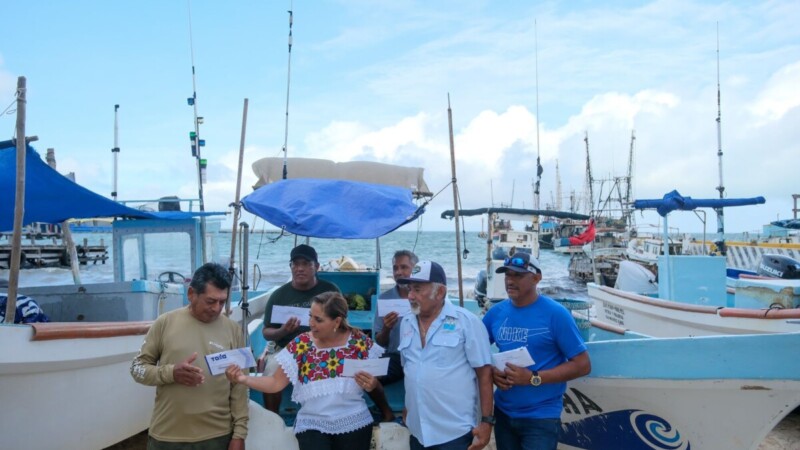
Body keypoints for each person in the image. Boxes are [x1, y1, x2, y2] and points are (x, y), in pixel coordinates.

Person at [227, 291, 382, 450]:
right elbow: (275, 383)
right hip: (313, 425)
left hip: (354, 422)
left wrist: (372, 383)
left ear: (336, 322)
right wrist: (243, 379)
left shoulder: (359, 342)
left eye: (318, 319)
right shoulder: (302, 343)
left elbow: (374, 381)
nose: (310, 323)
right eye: (310, 316)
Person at [130, 262, 247, 450]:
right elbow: (137, 369)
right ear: (191, 294)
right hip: (167, 436)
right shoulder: (164, 323)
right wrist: (170, 373)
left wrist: (239, 434)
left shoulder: (234, 331)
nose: (217, 308)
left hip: (217, 436)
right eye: (210, 301)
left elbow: (240, 386)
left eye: (222, 302)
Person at [482, 253, 591, 450]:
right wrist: (491, 371)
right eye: (507, 275)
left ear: (536, 278)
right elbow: (476, 354)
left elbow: (582, 365)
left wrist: (533, 377)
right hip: (504, 413)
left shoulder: (556, 314)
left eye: (518, 275)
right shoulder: (495, 314)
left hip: (541, 417)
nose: (510, 281)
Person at [397, 260, 494, 450]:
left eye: (417, 289)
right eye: (409, 289)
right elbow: (408, 368)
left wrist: (486, 422)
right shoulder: (406, 323)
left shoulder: (466, 322)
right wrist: (409, 406)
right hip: (417, 429)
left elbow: (485, 374)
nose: (410, 296)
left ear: (440, 292)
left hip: (454, 432)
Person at [260, 244, 340, 414]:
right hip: (286, 350)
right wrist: (283, 331)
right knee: (270, 371)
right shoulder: (279, 295)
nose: (300, 269)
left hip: (323, 348)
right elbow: (266, 332)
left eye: (306, 264)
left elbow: (341, 323)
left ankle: (327, 416)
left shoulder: (330, 291)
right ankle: (273, 418)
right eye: (295, 264)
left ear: (316, 267)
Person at [369, 250, 417, 411]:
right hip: (396, 356)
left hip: (421, 355)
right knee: (368, 375)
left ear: (415, 269)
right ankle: (386, 412)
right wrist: (387, 328)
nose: (398, 272)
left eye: (404, 267)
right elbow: (380, 341)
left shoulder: (424, 296)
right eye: (395, 268)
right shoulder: (385, 299)